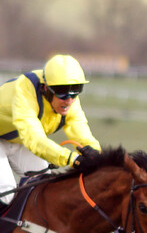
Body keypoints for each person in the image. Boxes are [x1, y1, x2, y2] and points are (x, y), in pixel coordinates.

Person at [0, 55, 100, 203]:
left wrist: (98, 157)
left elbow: (82, 135)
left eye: (75, 90)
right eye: (62, 91)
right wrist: (72, 159)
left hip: (17, 140)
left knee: (44, 188)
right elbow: (34, 140)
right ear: (45, 88)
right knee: (5, 194)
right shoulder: (24, 91)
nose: (69, 99)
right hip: (23, 138)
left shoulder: (70, 101)